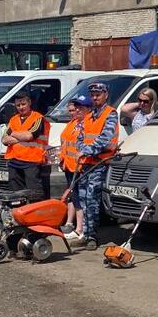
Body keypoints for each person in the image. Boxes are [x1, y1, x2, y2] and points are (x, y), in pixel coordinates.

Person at [74, 81, 120, 245]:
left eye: (98, 94)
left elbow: (104, 139)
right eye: (92, 95)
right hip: (86, 164)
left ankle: (91, 236)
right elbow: (79, 138)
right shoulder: (88, 116)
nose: (95, 97)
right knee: (83, 199)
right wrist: (82, 149)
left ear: (105, 95)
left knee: (92, 199)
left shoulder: (111, 114)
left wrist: (86, 150)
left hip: (100, 163)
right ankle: (85, 234)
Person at [1, 91, 49, 197]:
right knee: (16, 194)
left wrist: (13, 134)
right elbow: (4, 140)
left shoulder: (38, 118)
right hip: (14, 160)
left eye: (23, 104)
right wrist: (21, 137)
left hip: (31, 161)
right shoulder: (13, 119)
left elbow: (29, 136)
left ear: (29, 103)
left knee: (34, 193)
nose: (21, 107)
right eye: (18, 105)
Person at [60, 97, 86, 242]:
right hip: (69, 165)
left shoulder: (82, 125)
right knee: (74, 197)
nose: (73, 112)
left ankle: (80, 229)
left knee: (79, 198)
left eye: (76, 109)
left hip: (78, 166)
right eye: (71, 110)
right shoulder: (72, 124)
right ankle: (75, 226)